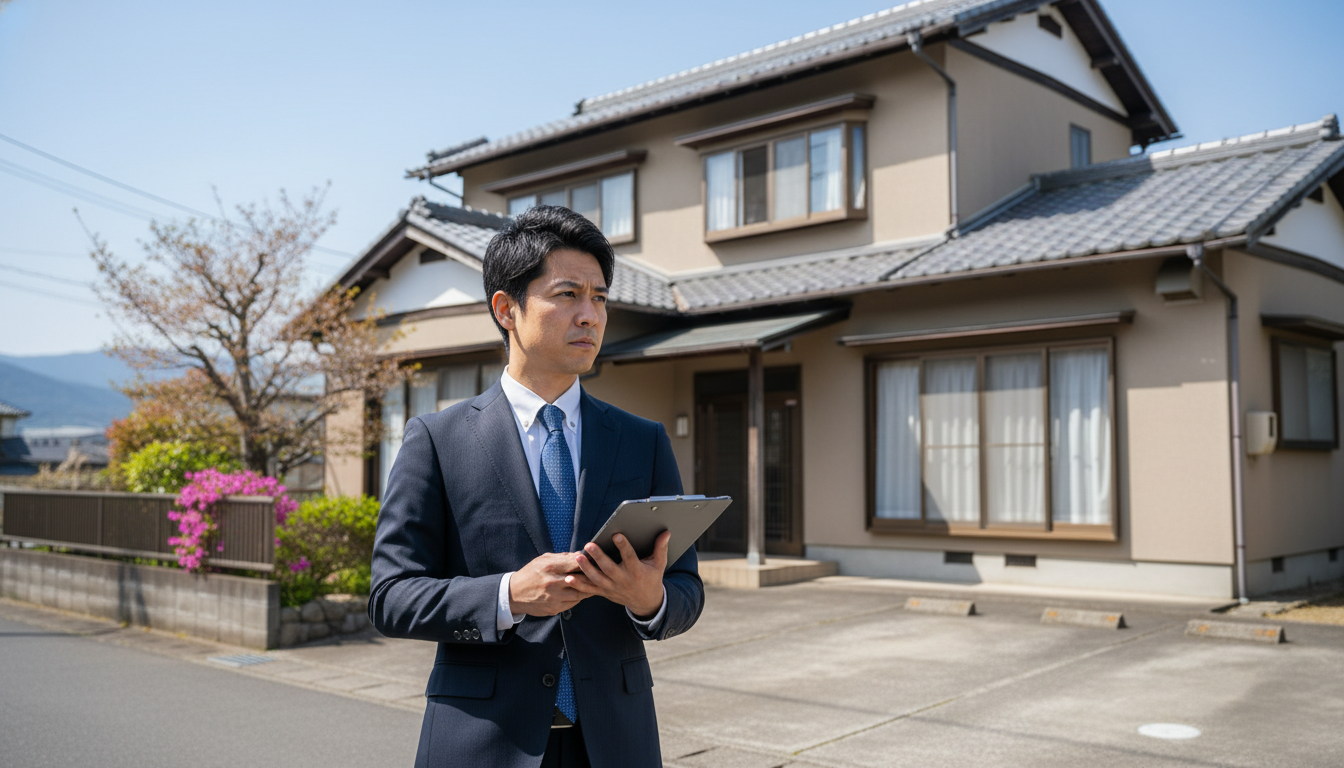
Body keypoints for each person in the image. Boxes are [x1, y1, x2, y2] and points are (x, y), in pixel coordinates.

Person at [369, 205, 705, 768]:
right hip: (482, 740)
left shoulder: (641, 440)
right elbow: (390, 596)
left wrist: (651, 601)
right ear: (506, 309)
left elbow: (686, 589)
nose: (590, 316)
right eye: (567, 294)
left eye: (599, 298)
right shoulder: (437, 438)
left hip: (614, 742)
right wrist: (506, 596)